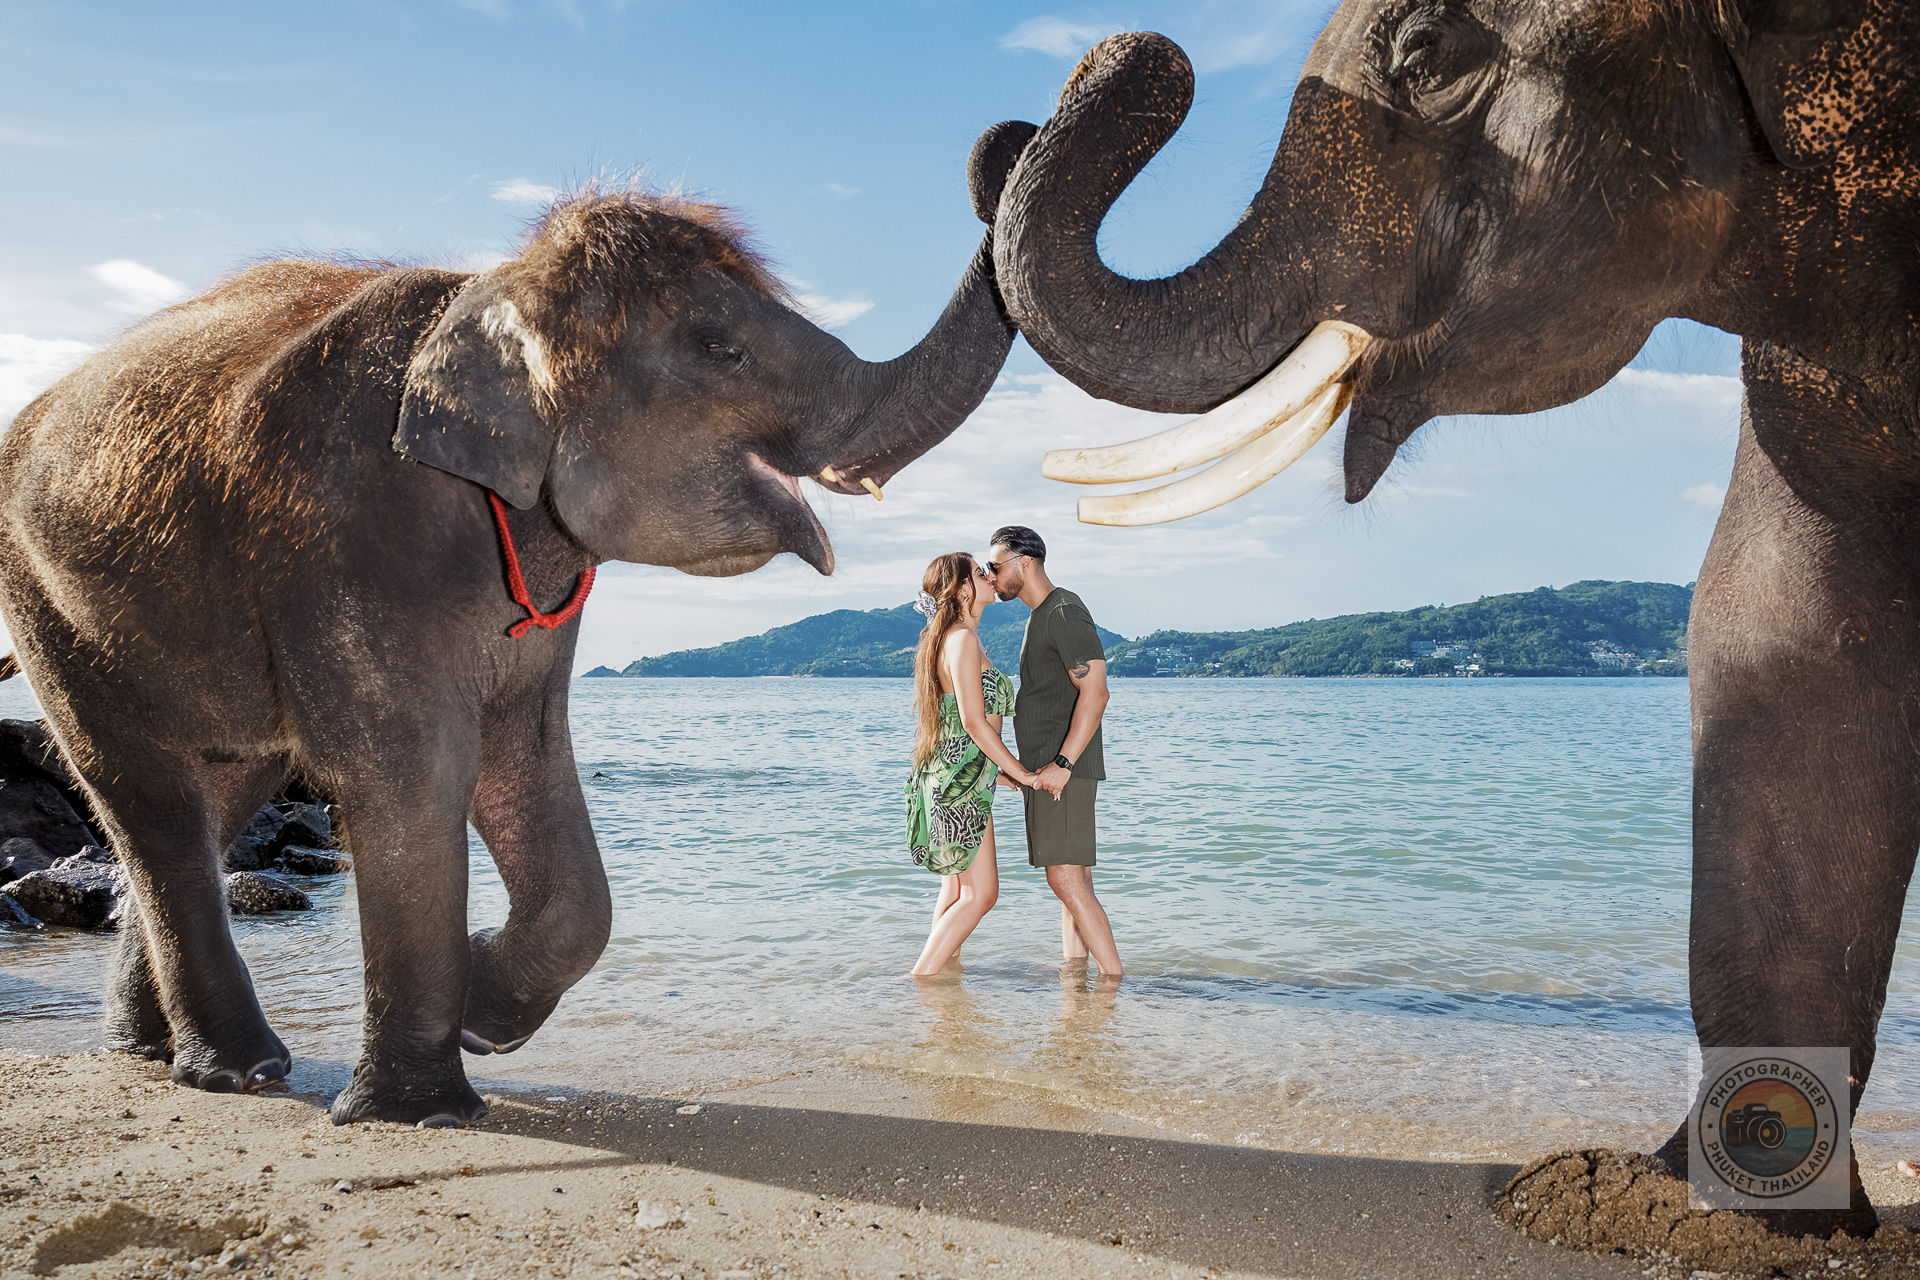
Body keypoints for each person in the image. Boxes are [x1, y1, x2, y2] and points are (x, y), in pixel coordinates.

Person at [906, 552, 1056, 977]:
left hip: (959, 773)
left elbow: (960, 723)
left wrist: (999, 770)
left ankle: (942, 983)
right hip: (960, 779)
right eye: (979, 572)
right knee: (981, 893)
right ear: (961, 590)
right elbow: (973, 722)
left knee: (956, 887)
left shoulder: (957, 637)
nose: (989, 576)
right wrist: (1023, 773)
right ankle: (920, 978)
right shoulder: (962, 640)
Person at [985, 525, 1123, 978]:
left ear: (1023, 563)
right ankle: (1076, 975)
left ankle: (1113, 982)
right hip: (1048, 769)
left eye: (995, 565)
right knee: (1073, 880)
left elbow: (1096, 692)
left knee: (1063, 877)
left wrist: (1063, 764)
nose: (991, 575)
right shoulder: (1040, 614)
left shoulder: (1063, 610)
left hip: (1062, 770)